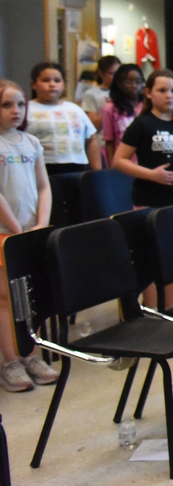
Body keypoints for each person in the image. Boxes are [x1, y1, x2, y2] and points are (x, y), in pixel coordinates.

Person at [0, 79, 59, 392]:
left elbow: (43, 186)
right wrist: (16, 229)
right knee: (5, 300)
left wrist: (41, 223)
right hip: (6, 234)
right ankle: (11, 362)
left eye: (20, 104)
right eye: (6, 105)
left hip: (31, 232)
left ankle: (31, 354)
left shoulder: (31, 143)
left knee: (30, 296)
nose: (16, 110)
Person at [113, 69, 173, 209]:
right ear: (148, 93)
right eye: (162, 91)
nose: (169, 96)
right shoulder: (141, 124)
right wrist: (152, 174)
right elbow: (119, 160)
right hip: (150, 200)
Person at [26, 62, 101, 174]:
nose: (52, 84)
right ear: (34, 84)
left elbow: (91, 139)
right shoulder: (27, 109)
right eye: (46, 80)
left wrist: (97, 171)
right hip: (42, 168)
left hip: (77, 168)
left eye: (57, 80)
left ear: (64, 85)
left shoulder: (75, 109)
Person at [101, 63, 145, 163]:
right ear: (119, 83)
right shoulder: (110, 108)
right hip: (124, 163)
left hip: (146, 163)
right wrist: (112, 167)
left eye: (138, 81)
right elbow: (109, 142)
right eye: (129, 82)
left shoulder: (148, 106)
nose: (134, 85)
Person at [81, 55, 121, 129]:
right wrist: (111, 107)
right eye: (112, 74)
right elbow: (92, 124)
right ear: (101, 73)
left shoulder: (125, 92)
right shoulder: (91, 94)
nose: (117, 77)